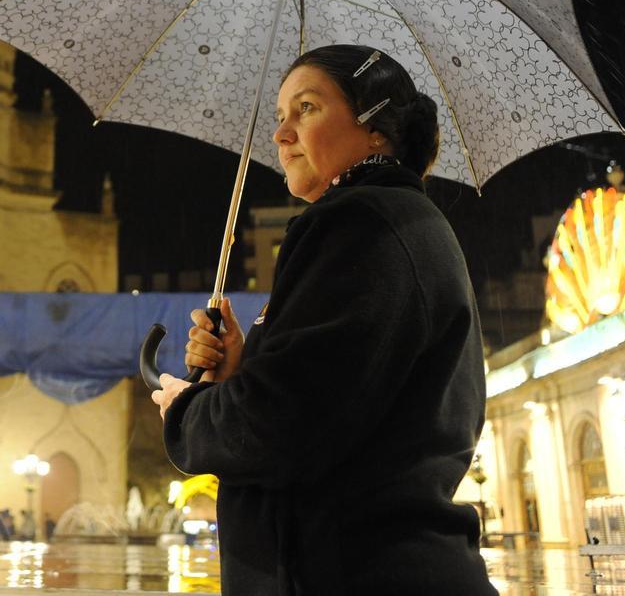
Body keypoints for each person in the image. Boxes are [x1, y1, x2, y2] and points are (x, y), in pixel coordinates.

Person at [151, 45, 496, 594]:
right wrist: (241, 371)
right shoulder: (395, 219)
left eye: (306, 108)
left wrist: (186, 411)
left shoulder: (358, 222)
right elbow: (336, 405)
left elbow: (278, 425)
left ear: (375, 127)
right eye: (280, 116)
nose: (281, 134)